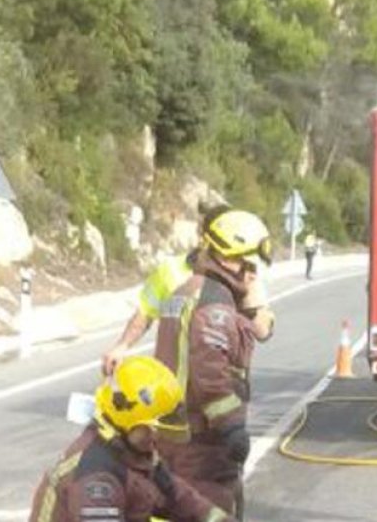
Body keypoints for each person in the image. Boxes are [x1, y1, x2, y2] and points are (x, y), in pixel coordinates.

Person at [103, 209, 273, 517]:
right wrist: (232, 427)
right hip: (202, 439)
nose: (253, 274)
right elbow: (211, 377)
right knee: (209, 510)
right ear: (232, 259)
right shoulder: (214, 306)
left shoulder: (186, 288)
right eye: (249, 265)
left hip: (172, 428)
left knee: (173, 505)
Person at [29, 355, 233, 522]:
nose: (157, 437)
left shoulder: (134, 453)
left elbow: (179, 497)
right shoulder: (97, 479)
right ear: (127, 422)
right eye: (150, 429)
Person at [102, 206, 275, 377]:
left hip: (219, 389)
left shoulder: (244, 278)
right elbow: (145, 314)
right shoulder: (171, 271)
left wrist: (247, 291)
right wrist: (122, 346)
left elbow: (262, 331)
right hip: (169, 388)